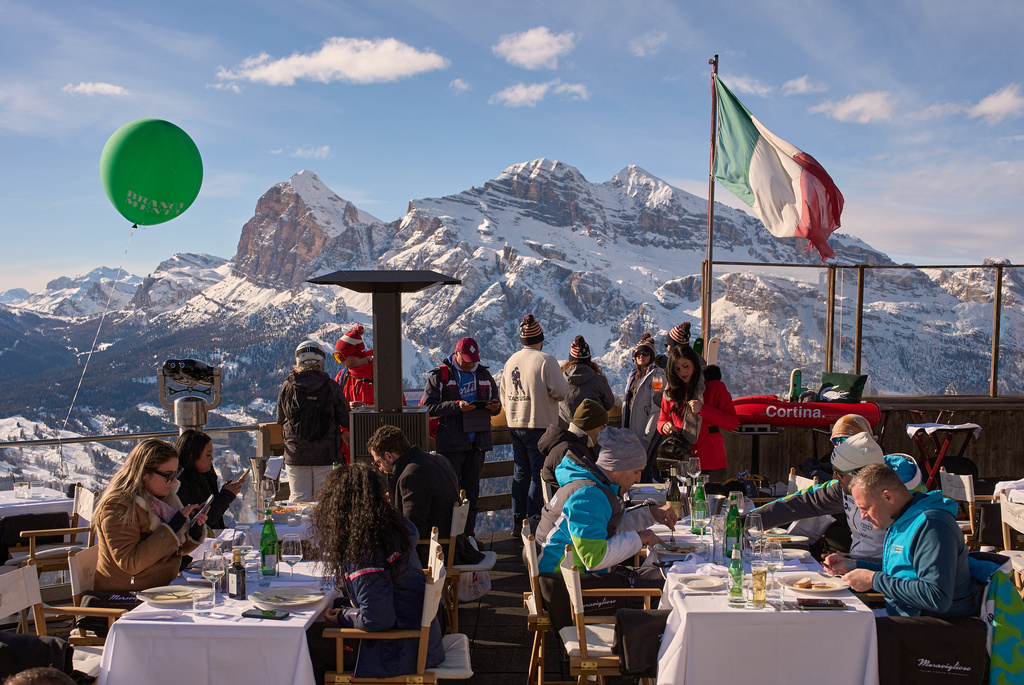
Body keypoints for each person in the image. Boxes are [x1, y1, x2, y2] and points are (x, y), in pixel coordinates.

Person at [306, 463, 445, 680]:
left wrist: (343, 617)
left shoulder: (365, 549)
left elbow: (377, 619)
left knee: (307, 638)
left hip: (397, 649)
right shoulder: (391, 529)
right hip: (422, 642)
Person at [753, 419, 926, 564]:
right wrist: (747, 522)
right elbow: (802, 502)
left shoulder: (904, 499)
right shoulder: (844, 485)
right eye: (836, 441)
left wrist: (866, 569)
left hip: (881, 581)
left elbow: (912, 569)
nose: (834, 478)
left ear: (862, 475)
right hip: (859, 568)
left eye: (839, 473)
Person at [829, 463, 978, 617]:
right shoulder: (902, 519)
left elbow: (937, 597)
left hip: (937, 628)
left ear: (888, 497)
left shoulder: (932, 525)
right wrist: (855, 566)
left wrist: (872, 579)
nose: (863, 516)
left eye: (865, 508)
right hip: (904, 618)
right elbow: (901, 575)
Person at [535, 427, 678, 577]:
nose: (638, 480)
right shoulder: (587, 496)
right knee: (667, 581)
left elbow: (608, 526)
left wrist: (651, 513)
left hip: (577, 576)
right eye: (636, 472)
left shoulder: (594, 487)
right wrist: (640, 538)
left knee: (663, 575)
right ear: (616, 468)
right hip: (568, 583)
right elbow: (594, 559)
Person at [91, 438, 207, 592]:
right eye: (168, 475)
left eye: (176, 474)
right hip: (125, 596)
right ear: (144, 474)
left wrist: (193, 530)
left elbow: (174, 551)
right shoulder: (118, 507)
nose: (174, 482)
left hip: (161, 588)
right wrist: (172, 527)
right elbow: (131, 563)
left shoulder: (163, 502)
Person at [421, 336, 501, 538]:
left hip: (477, 444)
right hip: (451, 444)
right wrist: (456, 406)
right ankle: (449, 539)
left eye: (473, 360)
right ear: (456, 354)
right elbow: (428, 408)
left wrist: (495, 407)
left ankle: (468, 537)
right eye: (466, 360)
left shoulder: (484, 375)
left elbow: (496, 402)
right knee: (449, 492)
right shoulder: (441, 376)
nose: (470, 364)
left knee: (472, 493)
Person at [502, 313, 570, 533]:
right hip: (539, 424)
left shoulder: (511, 360)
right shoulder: (546, 360)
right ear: (540, 338)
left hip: (515, 423)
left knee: (520, 474)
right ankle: (532, 523)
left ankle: (516, 520)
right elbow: (561, 391)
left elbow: (503, 394)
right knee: (537, 474)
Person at [366, 425, 460, 562]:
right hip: (453, 545)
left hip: (435, 553)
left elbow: (412, 531)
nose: (379, 469)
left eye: (378, 462)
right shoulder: (437, 459)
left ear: (388, 456)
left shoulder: (411, 476)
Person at [277, 340, 350, 501]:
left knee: (298, 500)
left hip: (296, 454)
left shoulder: (287, 387)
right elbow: (346, 419)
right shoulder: (331, 386)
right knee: (323, 501)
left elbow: (280, 419)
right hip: (326, 454)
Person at [656, 344, 737, 482]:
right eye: (677, 369)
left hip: (710, 462)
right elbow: (662, 419)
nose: (682, 372)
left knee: (709, 502)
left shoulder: (714, 387)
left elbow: (732, 423)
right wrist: (664, 426)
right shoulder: (671, 393)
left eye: (686, 366)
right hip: (680, 460)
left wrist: (704, 410)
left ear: (694, 363)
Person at [174, 429, 245, 530]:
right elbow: (203, 523)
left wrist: (225, 491)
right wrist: (226, 495)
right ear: (192, 456)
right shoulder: (181, 485)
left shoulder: (206, 474)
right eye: (208, 455)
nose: (212, 459)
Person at [621, 333, 664, 481]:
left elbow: (656, 407)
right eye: (638, 353)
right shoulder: (634, 375)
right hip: (631, 433)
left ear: (651, 356)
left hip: (645, 433)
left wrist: (647, 435)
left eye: (645, 353)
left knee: (643, 471)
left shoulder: (657, 375)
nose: (641, 356)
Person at [540, 398, 608, 489]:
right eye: (602, 427)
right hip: (570, 501)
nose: (603, 432)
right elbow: (581, 487)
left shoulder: (574, 445)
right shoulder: (570, 451)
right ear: (591, 426)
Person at [333, 324, 375, 462]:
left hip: (376, 447)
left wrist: (367, 409)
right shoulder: (342, 376)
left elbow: (397, 407)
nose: (340, 362)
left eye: (340, 357)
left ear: (353, 353)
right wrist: (343, 432)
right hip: (347, 451)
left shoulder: (379, 374)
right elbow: (331, 408)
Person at [557, 335, 614, 428]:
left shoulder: (559, 378)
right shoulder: (598, 380)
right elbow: (609, 403)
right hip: (592, 431)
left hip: (566, 431)